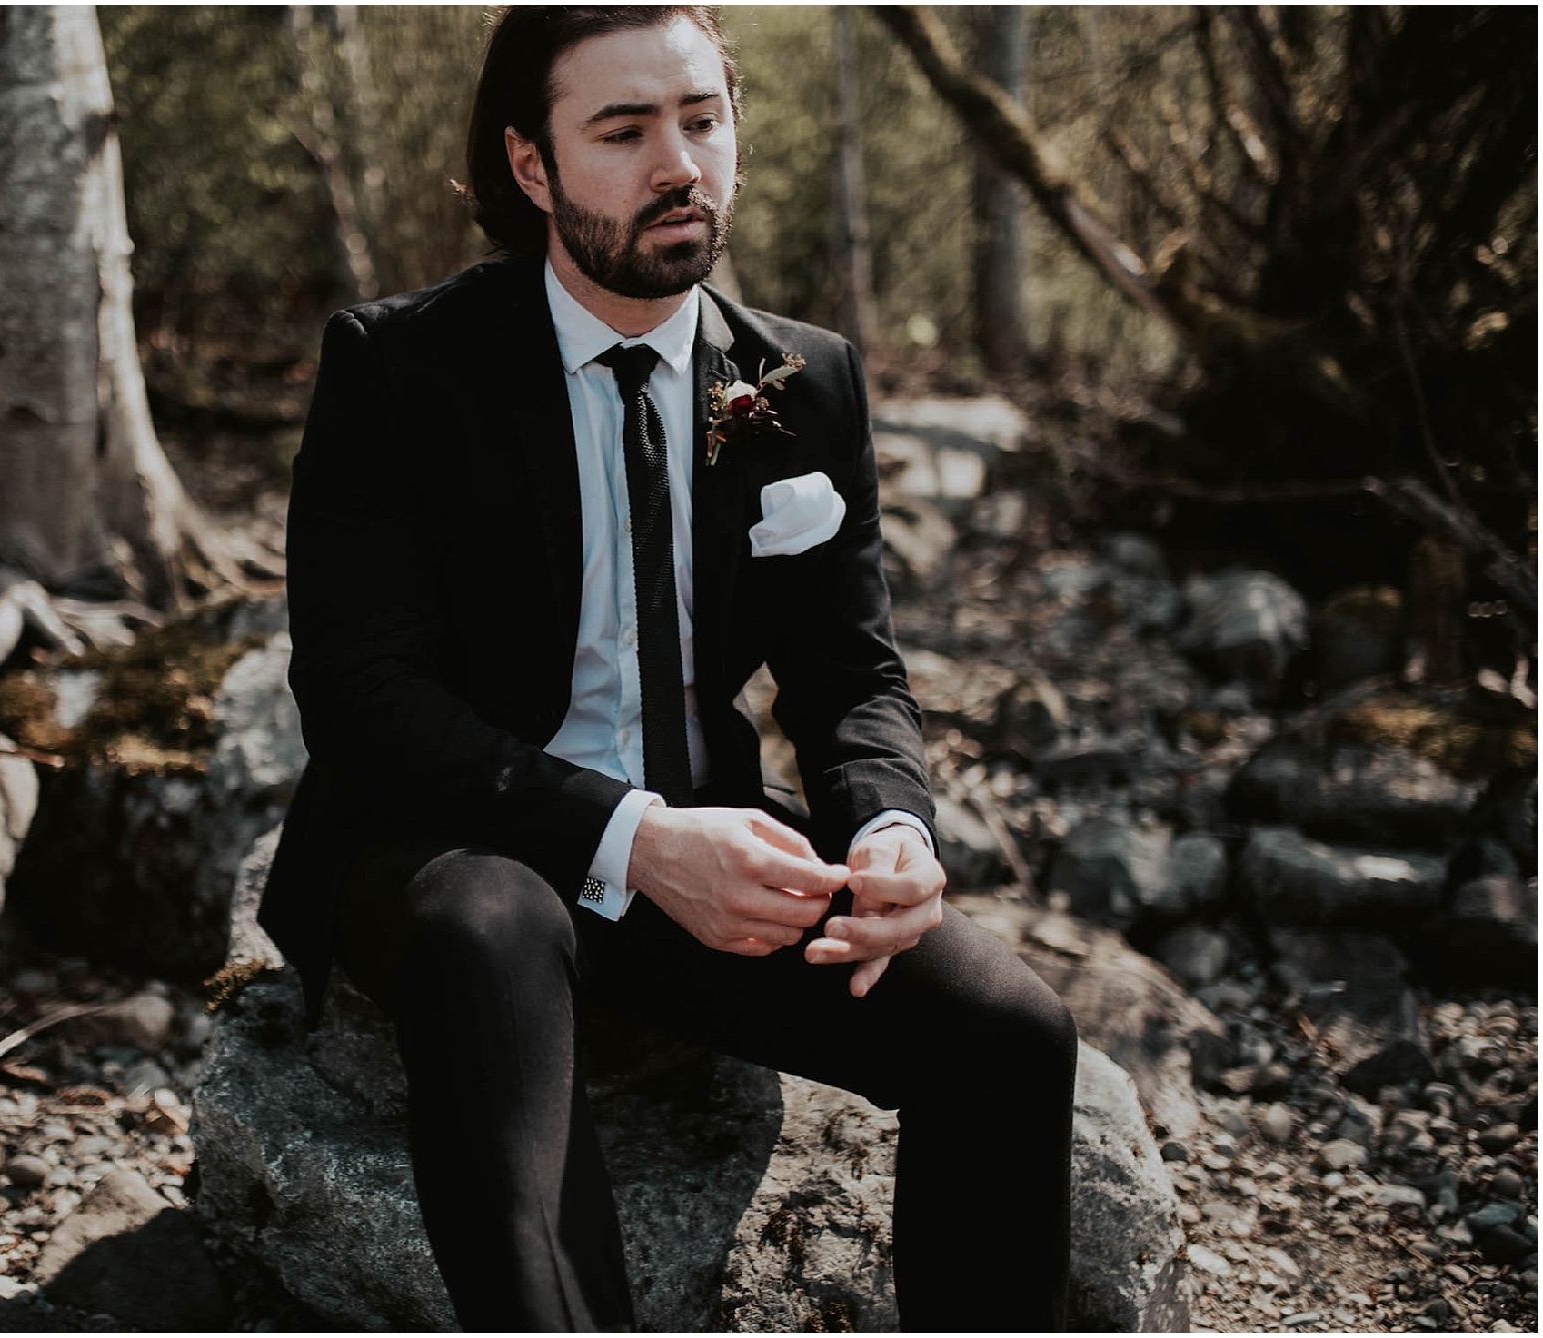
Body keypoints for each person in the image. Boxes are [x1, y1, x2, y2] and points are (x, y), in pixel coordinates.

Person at [259, 6, 1077, 1330]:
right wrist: (633, 839)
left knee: (1007, 1027)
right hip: (459, 849)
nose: (679, 162)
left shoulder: (803, 382)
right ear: (533, 167)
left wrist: (887, 827)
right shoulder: (400, 369)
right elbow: (361, 699)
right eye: (625, 131)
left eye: (702, 118)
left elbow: (849, 670)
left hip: (714, 868)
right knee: (493, 932)